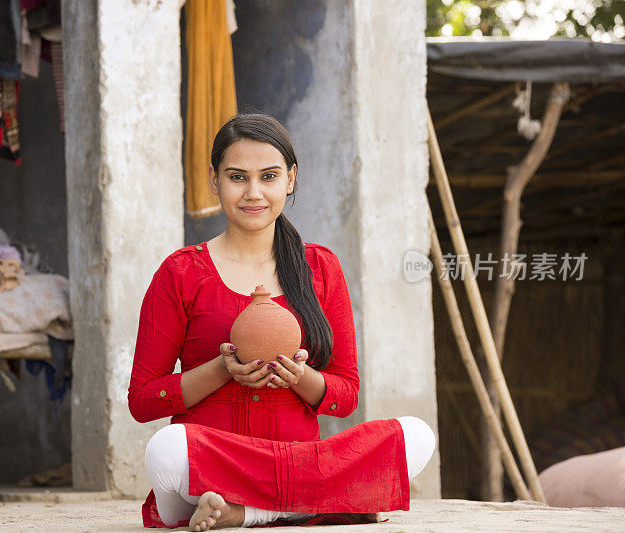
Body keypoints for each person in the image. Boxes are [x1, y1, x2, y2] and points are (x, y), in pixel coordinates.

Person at [128, 113, 435, 531]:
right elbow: (143, 399)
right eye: (237, 177)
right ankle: (321, 504)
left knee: (416, 436)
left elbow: (345, 394)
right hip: (214, 463)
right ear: (214, 181)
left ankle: (246, 514)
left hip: (298, 462)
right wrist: (223, 370)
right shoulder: (181, 273)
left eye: (268, 176)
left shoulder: (320, 268)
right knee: (166, 450)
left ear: (290, 178)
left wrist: (300, 377)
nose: (253, 193)